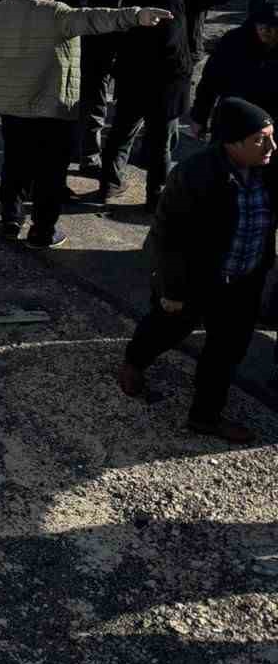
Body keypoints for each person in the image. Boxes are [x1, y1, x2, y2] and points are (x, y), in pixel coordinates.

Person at [0, 0, 172, 248]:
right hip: (52, 112)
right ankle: (42, 232)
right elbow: (96, 18)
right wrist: (137, 15)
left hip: (12, 109)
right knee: (50, 174)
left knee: (15, 167)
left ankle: (10, 221)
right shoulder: (56, 14)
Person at [118, 97, 276, 444]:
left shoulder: (269, 170)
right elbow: (168, 238)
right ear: (232, 142)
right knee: (166, 328)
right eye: (260, 139)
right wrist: (171, 290)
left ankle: (205, 417)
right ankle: (133, 362)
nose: (271, 146)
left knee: (226, 352)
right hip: (196, 280)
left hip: (244, 281)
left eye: (272, 136)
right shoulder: (194, 175)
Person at [96, 0, 199, 211]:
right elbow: (172, 44)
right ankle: (156, 196)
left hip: (132, 74)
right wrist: (184, 73)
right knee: (159, 143)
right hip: (161, 83)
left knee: (121, 133)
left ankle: (109, 183)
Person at [60, 0, 126, 175]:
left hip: (97, 63)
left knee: (95, 113)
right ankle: (62, 160)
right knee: (64, 115)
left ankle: (89, 158)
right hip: (63, 65)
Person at [190, 0, 278, 136]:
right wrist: (199, 117)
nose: (265, 30)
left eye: (272, 26)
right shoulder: (234, 41)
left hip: (269, 125)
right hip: (232, 120)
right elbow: (210, 81)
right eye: (261, 23)